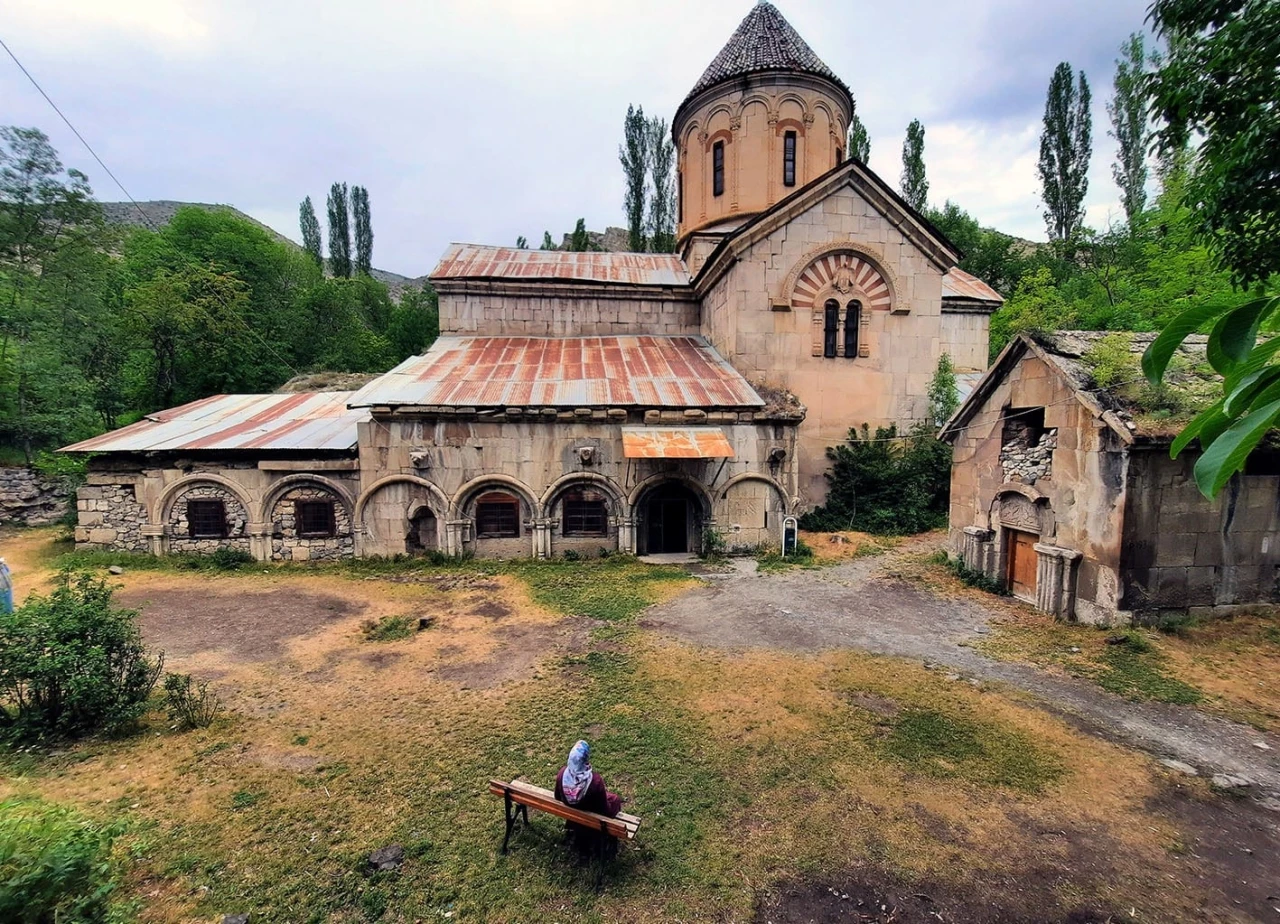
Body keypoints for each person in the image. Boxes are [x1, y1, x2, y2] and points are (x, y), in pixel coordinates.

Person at [553, 739, 622, 818]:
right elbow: (604, 809)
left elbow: (557, 797)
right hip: (591, 815)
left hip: (572, 812)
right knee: (615, 799)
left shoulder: (562, 774)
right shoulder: (595, 781)